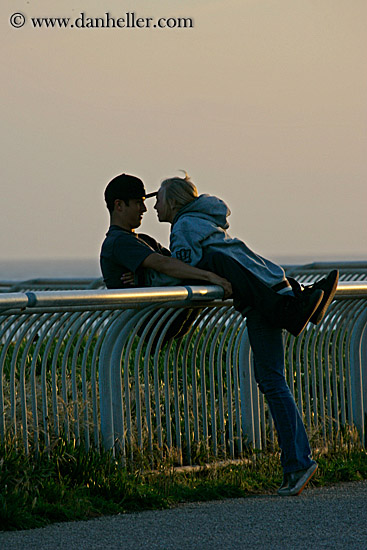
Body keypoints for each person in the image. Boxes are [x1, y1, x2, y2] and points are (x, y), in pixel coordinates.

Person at [152, 173, 339, 496]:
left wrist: (153, 276)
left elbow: (188, 268)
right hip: (272, 283)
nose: (154, 206)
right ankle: (304, 300)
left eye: (158, 200)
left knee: (271, 382)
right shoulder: (207, 222)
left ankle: (298, 463)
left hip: (260, 304)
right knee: (274, 380)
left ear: (172, 202)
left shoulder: (183, 227)